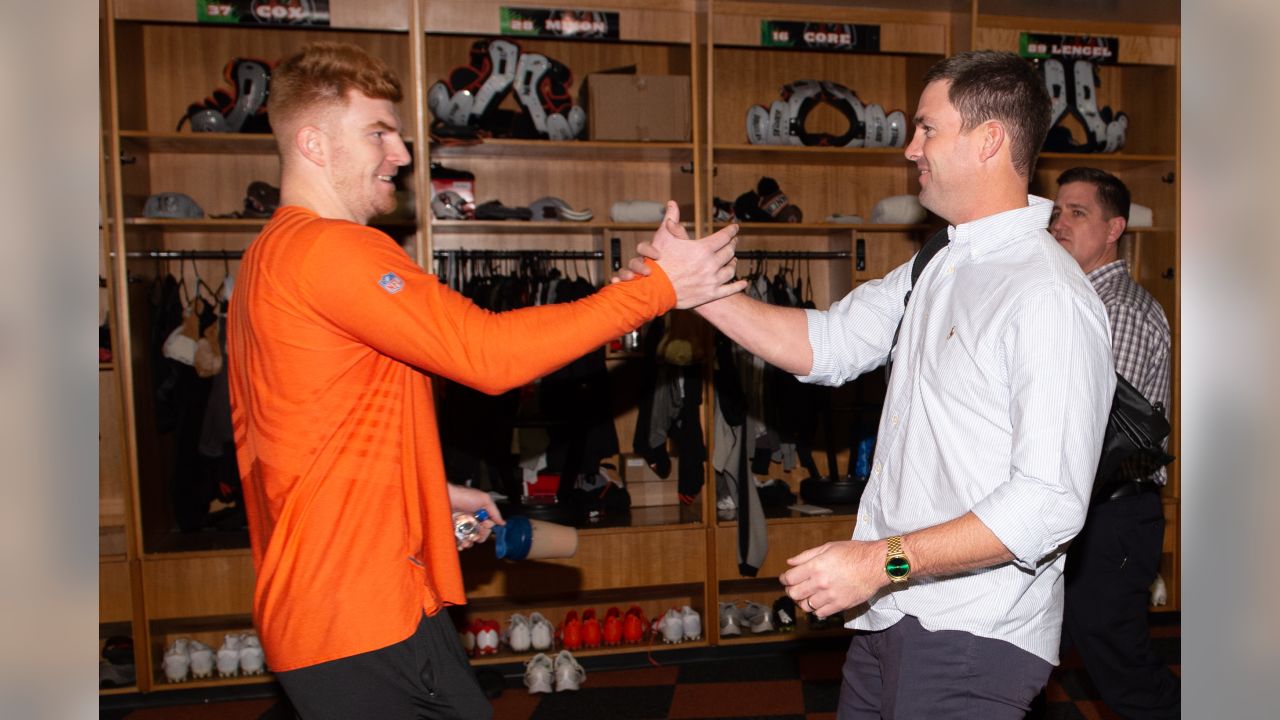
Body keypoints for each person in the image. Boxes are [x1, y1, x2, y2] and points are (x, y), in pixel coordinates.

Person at [225, 42, 743, 720]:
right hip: (357, 613)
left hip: (336, 608)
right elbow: (487, 354)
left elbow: (303, 429)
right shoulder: (333, 249)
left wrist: (426, 491)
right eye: (379, 132)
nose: (403, 155)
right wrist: (658, 290)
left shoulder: (271, 255)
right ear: (314, 143)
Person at [628, 50, 1115, 718]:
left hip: (972, 634)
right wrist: (695, 292)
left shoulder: (1046, 294)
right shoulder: (941, 262)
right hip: (893, 615)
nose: (910, 148)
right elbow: (826, 344)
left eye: (927, 129)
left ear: (990, 140)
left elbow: (1050, 501)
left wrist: (878, 562)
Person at [1048, 167, 1180, 718]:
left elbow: (1094, 429)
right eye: (1056, 211)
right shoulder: (1075, 299)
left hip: (1111, 515)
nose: (1060, 223)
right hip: (1086, 511)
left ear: (1113, 229)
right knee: (1037, 654)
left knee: (1124, 674)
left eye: (1078, 213)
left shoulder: (1114, 308)